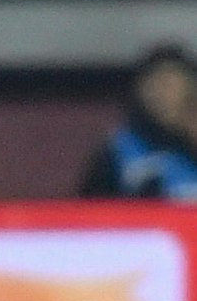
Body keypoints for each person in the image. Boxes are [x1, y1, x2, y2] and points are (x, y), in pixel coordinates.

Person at [80, 44, 197, 200]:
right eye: (153, 85)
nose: (161, 94)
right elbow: (90, 208)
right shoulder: (121, 150)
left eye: (170, 84)